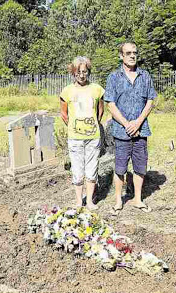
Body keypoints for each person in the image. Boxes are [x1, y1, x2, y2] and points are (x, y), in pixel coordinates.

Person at [104, 42, 157, 215]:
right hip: (121, 131)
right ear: (121, 56)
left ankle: (137, 199)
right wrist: (127, 124)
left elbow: (150, 100)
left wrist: (138, 122)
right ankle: (119, 200)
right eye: (128, 53)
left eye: (134, 52)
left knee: (140, 166)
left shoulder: (145, 76)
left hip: (141, 130)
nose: (132, 56)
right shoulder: (113, 77)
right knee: (120, 167)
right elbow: (110, 104)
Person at [60, 56, 105, 210]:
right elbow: (64, 114)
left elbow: (100, 111)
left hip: (93, 137)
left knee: (92, 169)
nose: (81, 75)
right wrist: (75, 127)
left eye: (84, 71)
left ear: (88, 72)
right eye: (78, 72)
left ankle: (91, 201)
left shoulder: (97, 89)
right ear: (73, 73)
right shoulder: (67, 91)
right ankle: (79, 201)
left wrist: (93, 125)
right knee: (78, 170)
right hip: (75, 138)